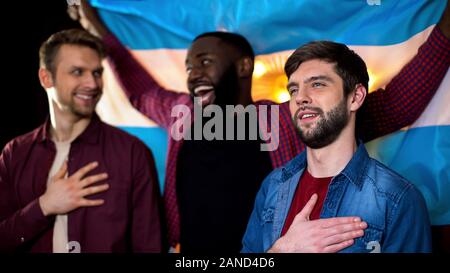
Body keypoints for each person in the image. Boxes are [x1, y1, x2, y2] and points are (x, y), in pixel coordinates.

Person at [76, 0, 450, 253]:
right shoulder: (181, 114)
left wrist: (445, 36)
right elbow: (141, 93)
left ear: (242, 66)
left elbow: (397, 104)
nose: (193, 74)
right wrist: (98, 28)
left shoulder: (286, 120)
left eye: (204, 62)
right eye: (189, 66)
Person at [242, 41, 432, 253]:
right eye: (294, 89)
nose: (300, 98)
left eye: (317, 84)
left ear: (355, 97)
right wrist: (283, 250)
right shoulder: (273, 185)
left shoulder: (397, 198)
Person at [0, 29, 163, 253]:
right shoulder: (15, 153)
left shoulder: (132, 152)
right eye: (78, 72)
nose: (92, 84)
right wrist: (44, 206)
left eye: (97, 73)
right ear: (46, 77)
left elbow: (149, 245)